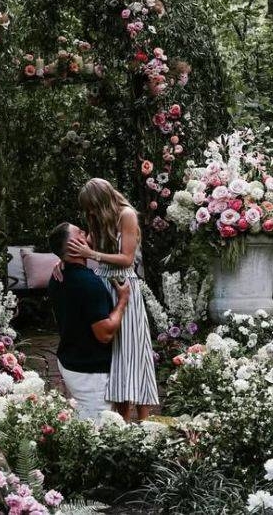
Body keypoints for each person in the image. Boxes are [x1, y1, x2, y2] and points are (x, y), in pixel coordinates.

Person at [67, 178, 159, 421]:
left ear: (103, 200)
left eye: (92, 206)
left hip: (124, 285)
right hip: (103, 286)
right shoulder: (97, 218)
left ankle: (145, 419)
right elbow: (81, 246)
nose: (90, 212)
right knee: (114, 354)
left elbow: (127, 259)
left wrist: (92, 254)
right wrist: (62, 260)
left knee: (133, 351)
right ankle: (121, 419)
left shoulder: (126, 215)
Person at [47, 222, 131, 420]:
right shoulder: (88, 283)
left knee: (83, 419)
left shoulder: (58, 277)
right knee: (96, 429)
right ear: (72, 245)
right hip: (89, 370)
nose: (86, 233)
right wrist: (123, 301)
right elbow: (104, 333)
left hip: (71, 359)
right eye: (80, 232)